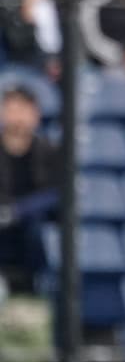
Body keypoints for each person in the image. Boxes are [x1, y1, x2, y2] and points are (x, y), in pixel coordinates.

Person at [0, 87, 60, 291]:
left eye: (24, 110)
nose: (18, 117)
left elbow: (56, 194)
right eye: (12, 109)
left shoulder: (50, 152)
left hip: (32, 231)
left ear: (36, 114)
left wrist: (19, 211)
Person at [1, 0, 63, 79]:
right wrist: (28, 8)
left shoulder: (61, 5)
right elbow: (17, 43)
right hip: (22, 72)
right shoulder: (9, 7)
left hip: (58, 72)